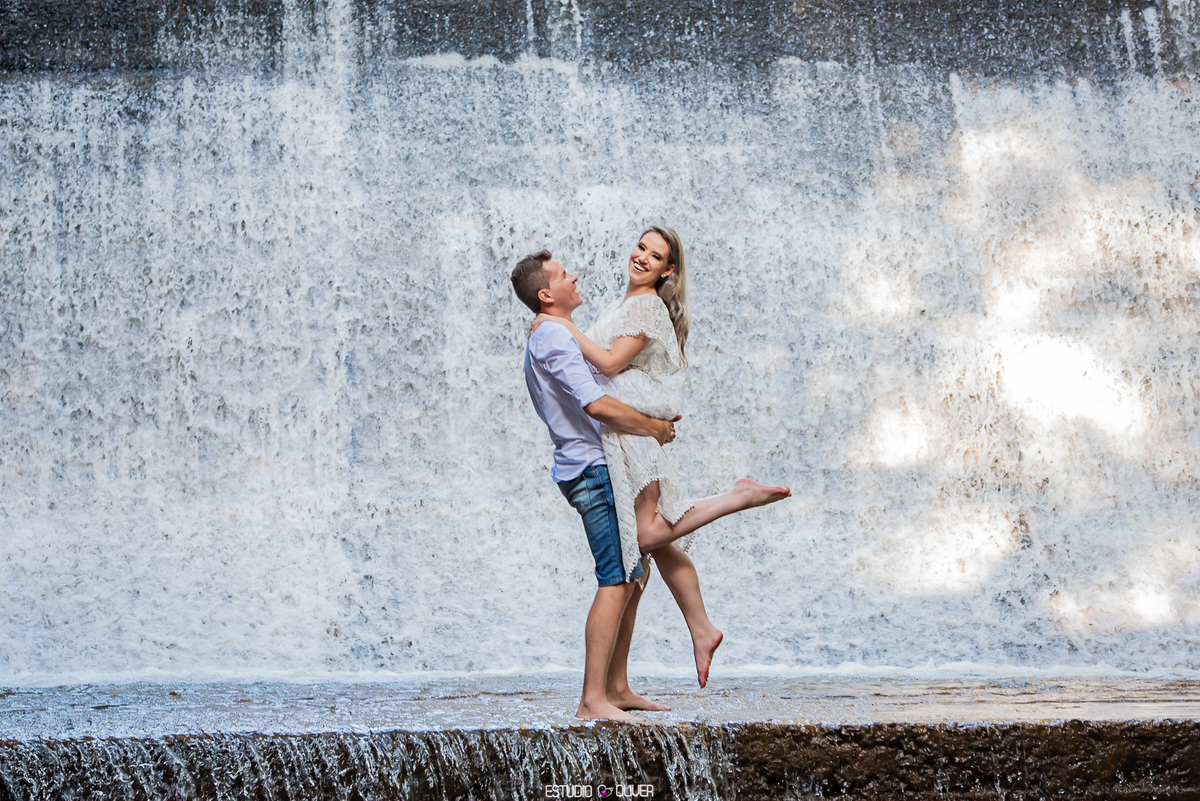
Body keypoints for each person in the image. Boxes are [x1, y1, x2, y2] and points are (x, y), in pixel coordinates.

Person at [528, 227, 792, 688]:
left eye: (656, 255)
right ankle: (695, 633)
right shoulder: (622, 304)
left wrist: (562, 326)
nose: (643, 257)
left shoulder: (646, 305)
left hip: (631, 431)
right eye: (641, 247)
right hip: (622, 432)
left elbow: (609, 364)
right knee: (650, 545)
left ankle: (738, 497)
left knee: (647, 534)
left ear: (668, 270)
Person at [513, 248, 676, 721]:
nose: (574, 276)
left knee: (633, 576)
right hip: (591, 470)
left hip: (595, 466)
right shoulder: (553, 337)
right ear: (547, 295)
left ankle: (616, 688)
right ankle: (592, 699)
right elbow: (596, 405)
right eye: (564, 275)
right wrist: (654, 426)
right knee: (616, 578)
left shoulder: (556, 332)